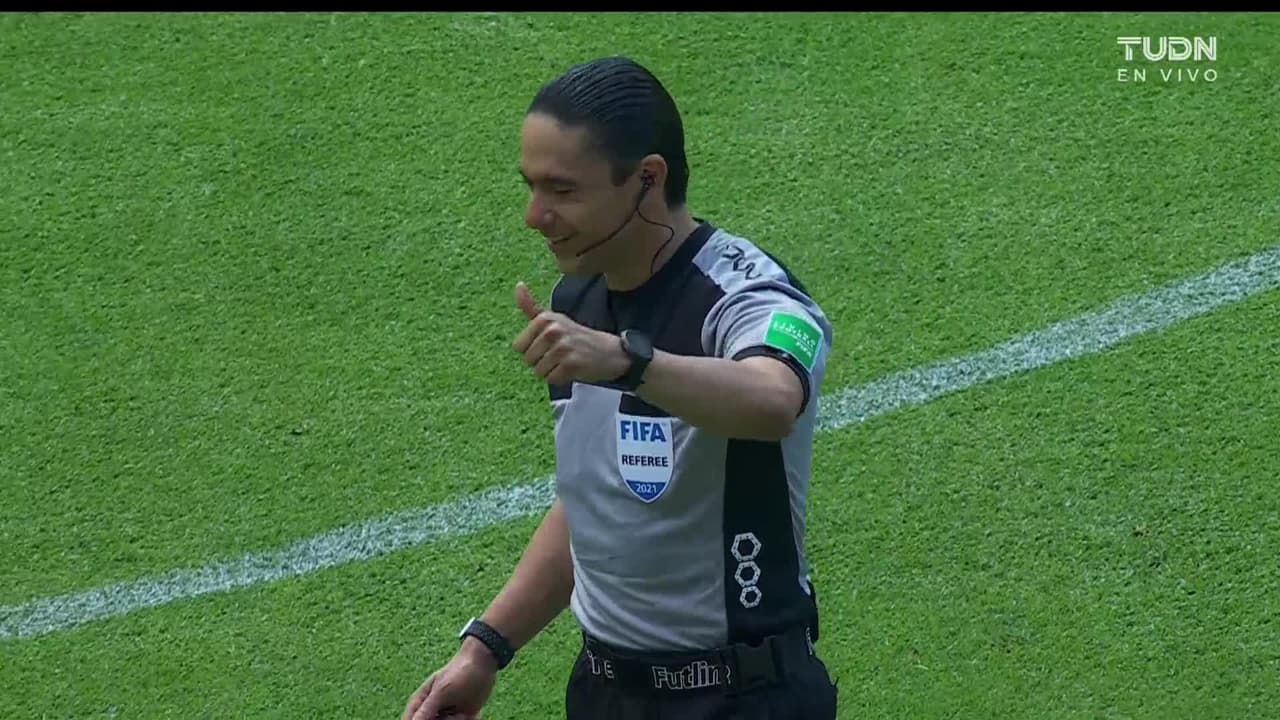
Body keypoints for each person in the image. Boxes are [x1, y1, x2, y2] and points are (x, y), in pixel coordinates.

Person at [403, 55, 837, 720]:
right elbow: (594, 501)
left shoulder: (746, 296)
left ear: (647, 179)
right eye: (531, 186)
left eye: (562, 191)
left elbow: (773, 399)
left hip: (743, 699)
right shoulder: (578, 303)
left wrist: (629, 363)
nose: (534, 215)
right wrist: (484, 649)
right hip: (606, 695)